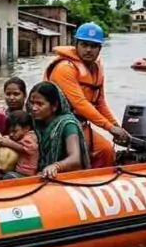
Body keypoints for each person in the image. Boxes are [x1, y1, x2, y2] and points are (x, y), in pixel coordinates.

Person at [43, 22, 129, 169]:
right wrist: (109, 128)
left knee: (106, 150)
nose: (88, 50)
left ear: (100, 48)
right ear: (76, 44)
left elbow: (100, 102)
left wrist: (116, 127)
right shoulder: (64, 68)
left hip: (80, 125)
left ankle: (99, 185)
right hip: (59, 124)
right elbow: (80, 103)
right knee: (97, 151)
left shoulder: (96, 69)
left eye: (94, 46)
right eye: (84, 45)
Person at [28, 81, 90, 178]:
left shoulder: (67, 125)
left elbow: (75, 158)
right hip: (42, 174)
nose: (34, 108)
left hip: (66, 177)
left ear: (54, 106)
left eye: (40, 104)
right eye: (32, 103)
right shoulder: (36, 123)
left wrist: (56, 166)